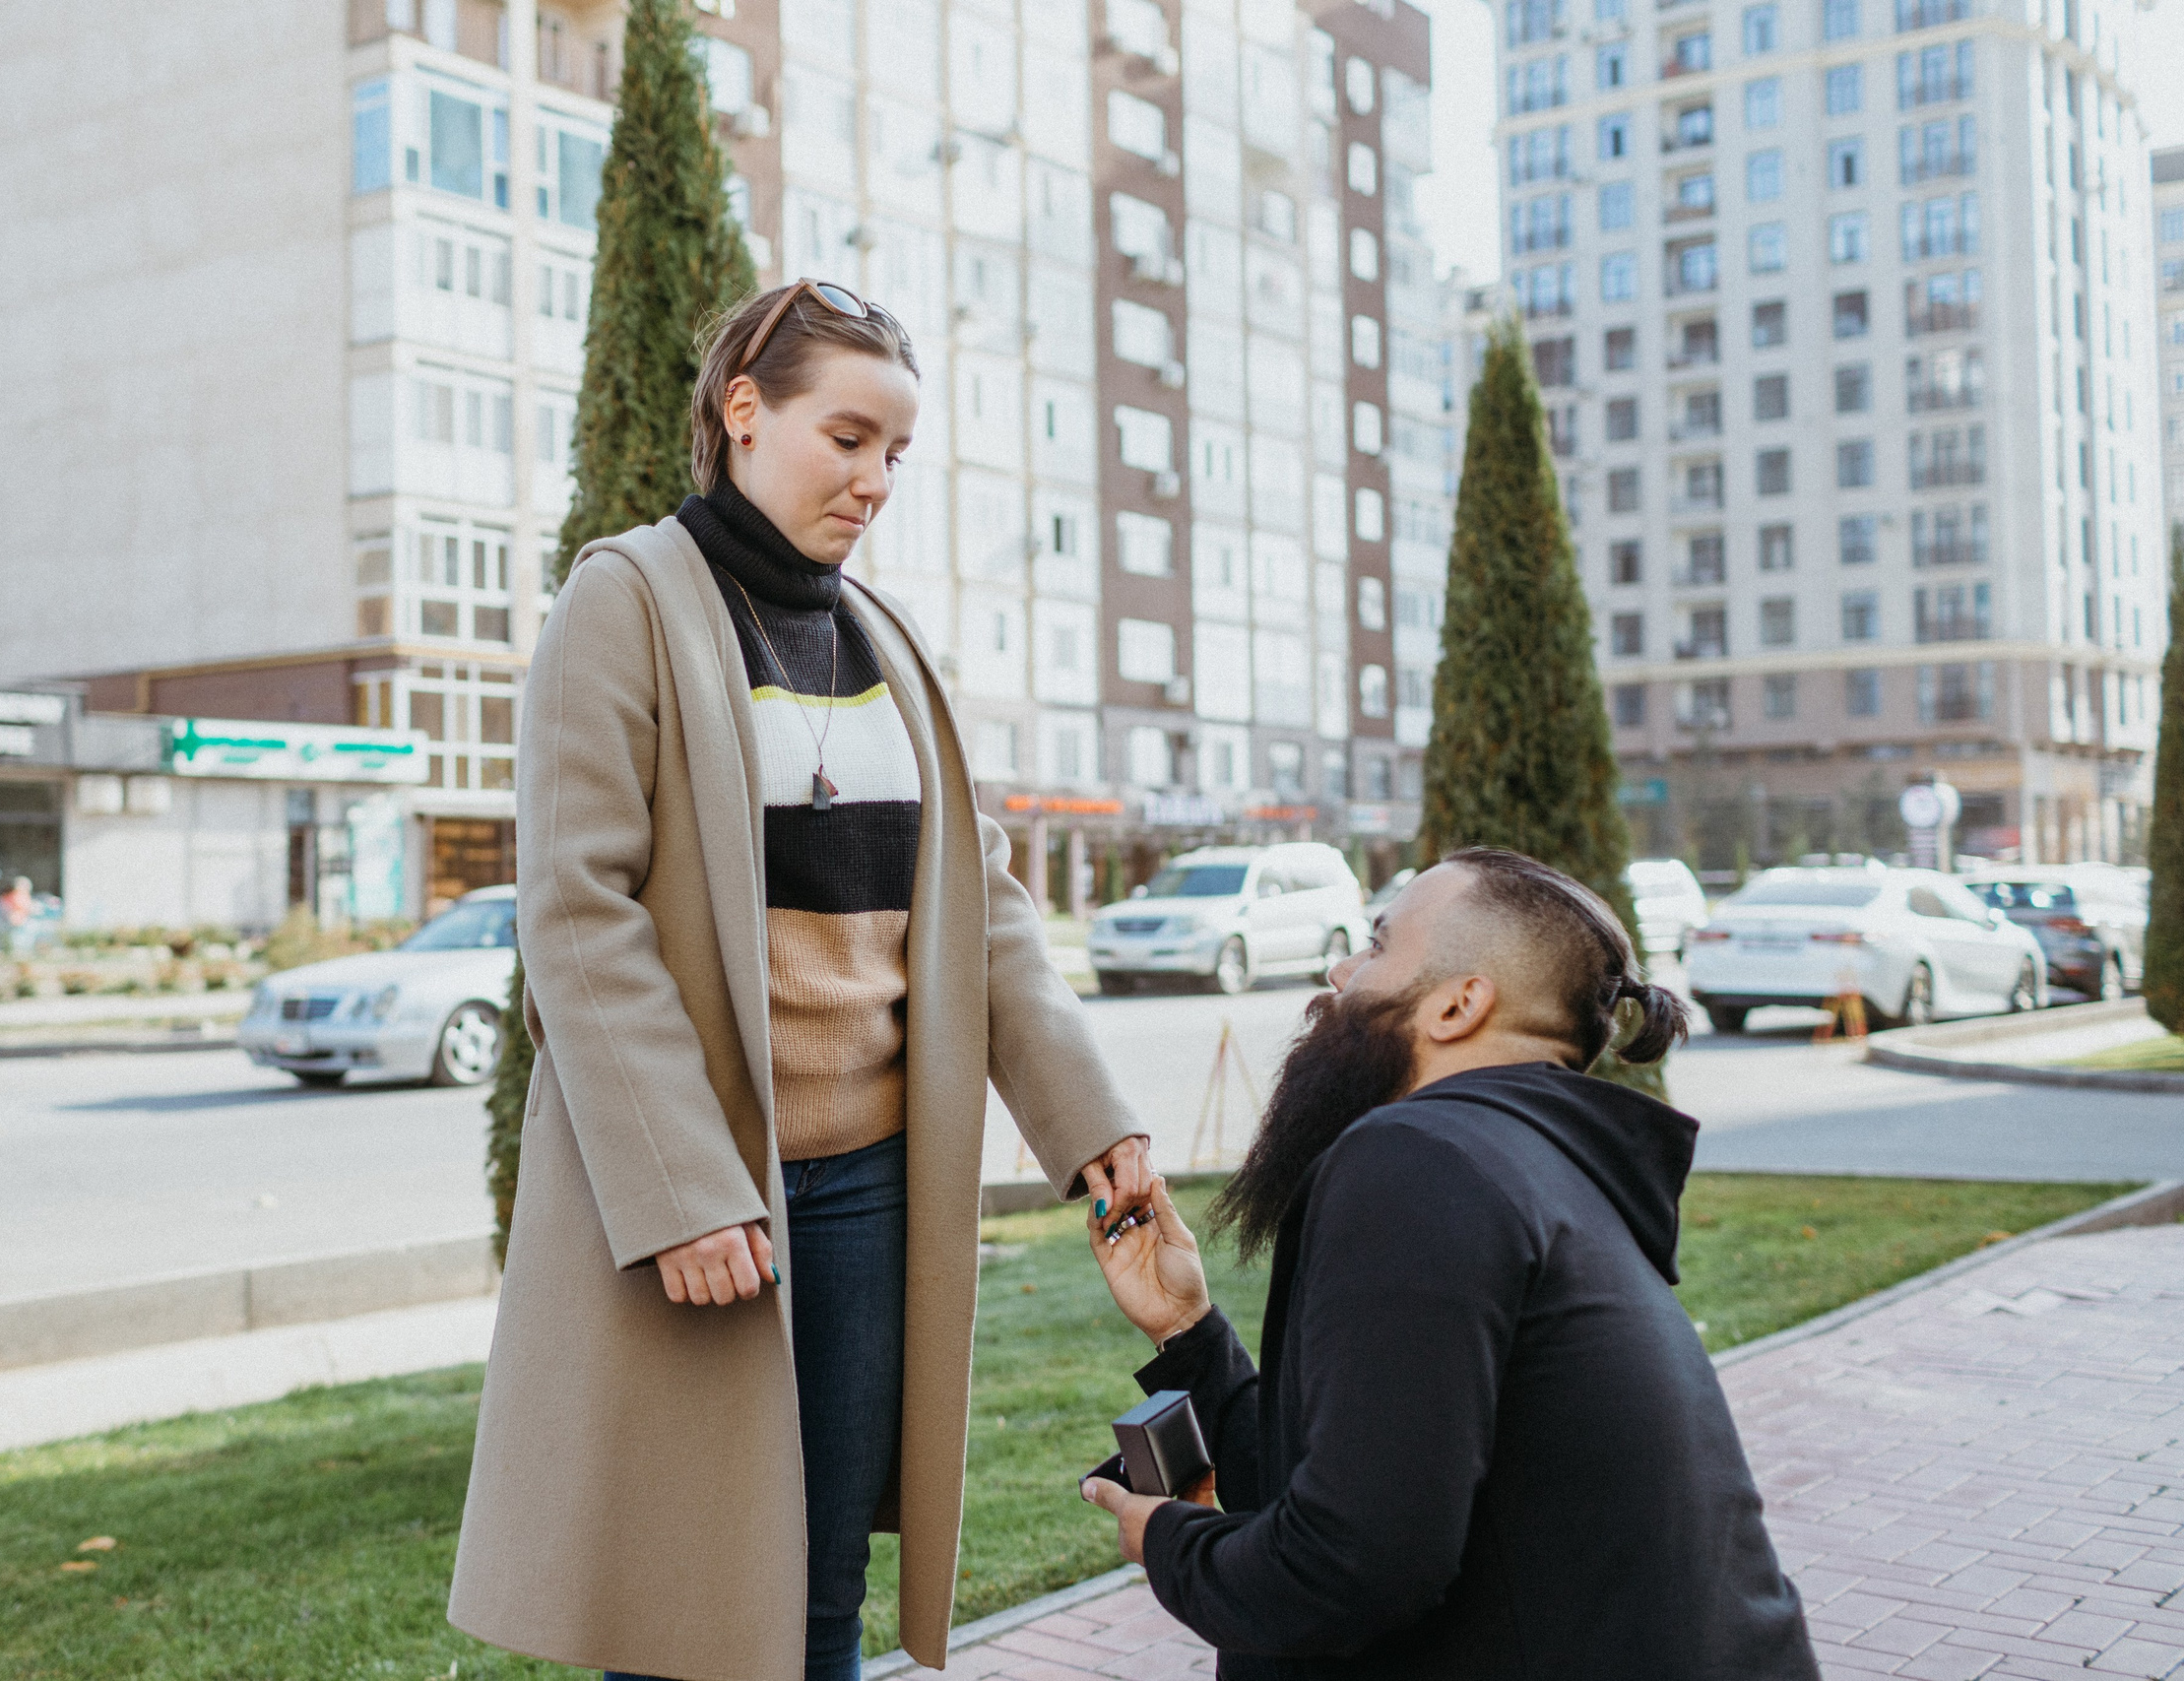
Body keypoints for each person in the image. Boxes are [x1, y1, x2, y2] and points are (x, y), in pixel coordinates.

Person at [447, 280, 1153, 1681]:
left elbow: (982, 903)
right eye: (849, 437)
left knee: (817, 1591)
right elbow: (577, 914)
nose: (876, 480)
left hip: (873, 1187)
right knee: (681, 1596)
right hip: (711, 1198)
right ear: (744, 413)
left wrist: (1095, 1122)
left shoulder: (880, 639)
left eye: (897, 452)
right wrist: (686, 1186)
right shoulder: (627, 598)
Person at [1079, 848, 1820, 1680]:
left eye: (1378, 944)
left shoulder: (1415, 1158)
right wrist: (1189, 1331)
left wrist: (1169, 1541)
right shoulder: (1535, 1166)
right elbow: (1363, 1485)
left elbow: (1346, 1572)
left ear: (1459, 1003)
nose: (1340, 968)